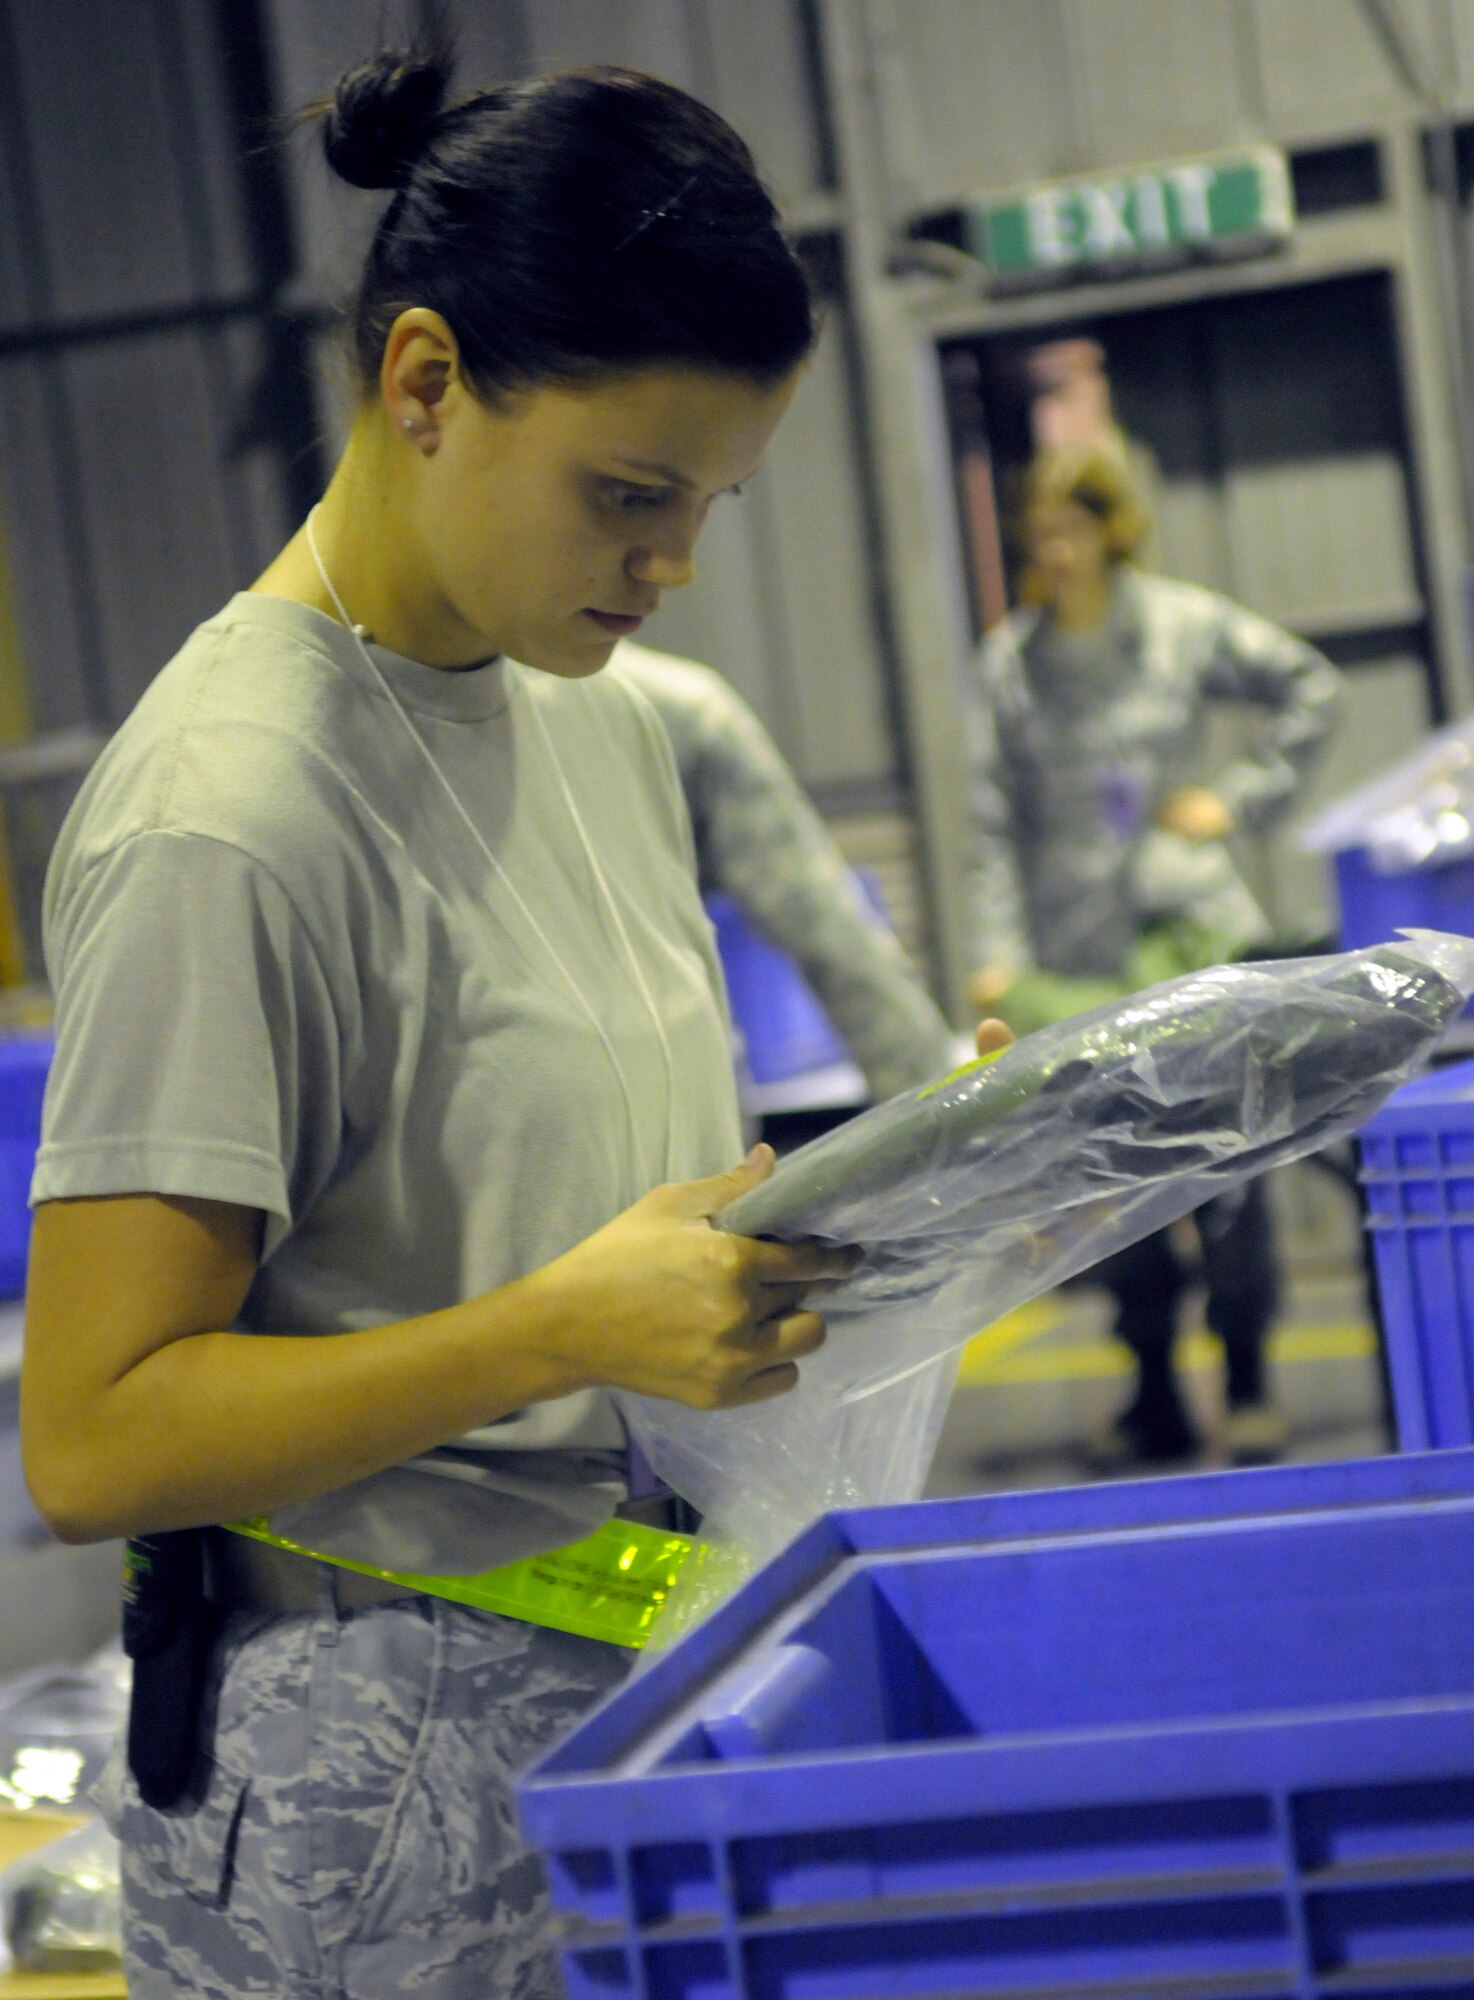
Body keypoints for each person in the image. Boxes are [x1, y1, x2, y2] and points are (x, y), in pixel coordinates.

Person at [18, 45, 1011, 1999]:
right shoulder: (226, 816)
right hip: (355, 1822)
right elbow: (93, 1433)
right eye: (630, 494)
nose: (673, 563)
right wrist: (554, 1329)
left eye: (711, 499)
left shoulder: (613, 725)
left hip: (643, 1702)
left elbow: (621, 1228)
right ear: (421, 384)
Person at [967, 446, 1341, 1469]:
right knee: (1115, 1182)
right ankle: (1153, 1390)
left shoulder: (1182, 626)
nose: (1051, 549)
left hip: (1192, 938)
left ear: (1109, 528)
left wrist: (1237, 799)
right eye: (1036, 531)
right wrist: (996, 957)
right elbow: (991, 822)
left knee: (1231, 1171)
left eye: (1068, 527)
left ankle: (1252, 1379)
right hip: (1077, 956)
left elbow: (1310, 686)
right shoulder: (1011, 664)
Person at [610, 643, 955, 1100]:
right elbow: (824, 923)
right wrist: (945, 1118)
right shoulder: (676, 710)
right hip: (677, 1105)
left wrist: (935, 1103)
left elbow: (822, 924)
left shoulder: (674, 713)